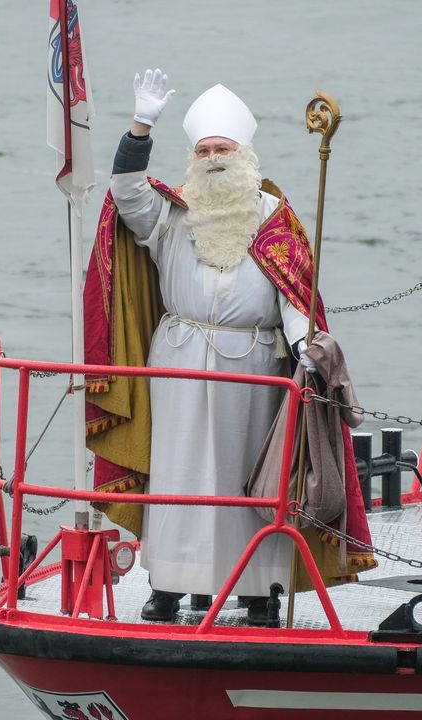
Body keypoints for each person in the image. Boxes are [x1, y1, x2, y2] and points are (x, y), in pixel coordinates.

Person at [83, 69, 372, 624]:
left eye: (224, 148)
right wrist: (141, 126)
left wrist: (305, 344)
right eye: (205, 149)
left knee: (251, 479)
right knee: (180, 474)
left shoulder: (275, 219)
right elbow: (124, 193)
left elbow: (294, 295)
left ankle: (259, 590)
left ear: (244, 155)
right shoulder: (170, 213)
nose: (214, 157)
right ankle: (168, 583)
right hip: (182, 360)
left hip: (255, 365)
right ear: (193, 157)